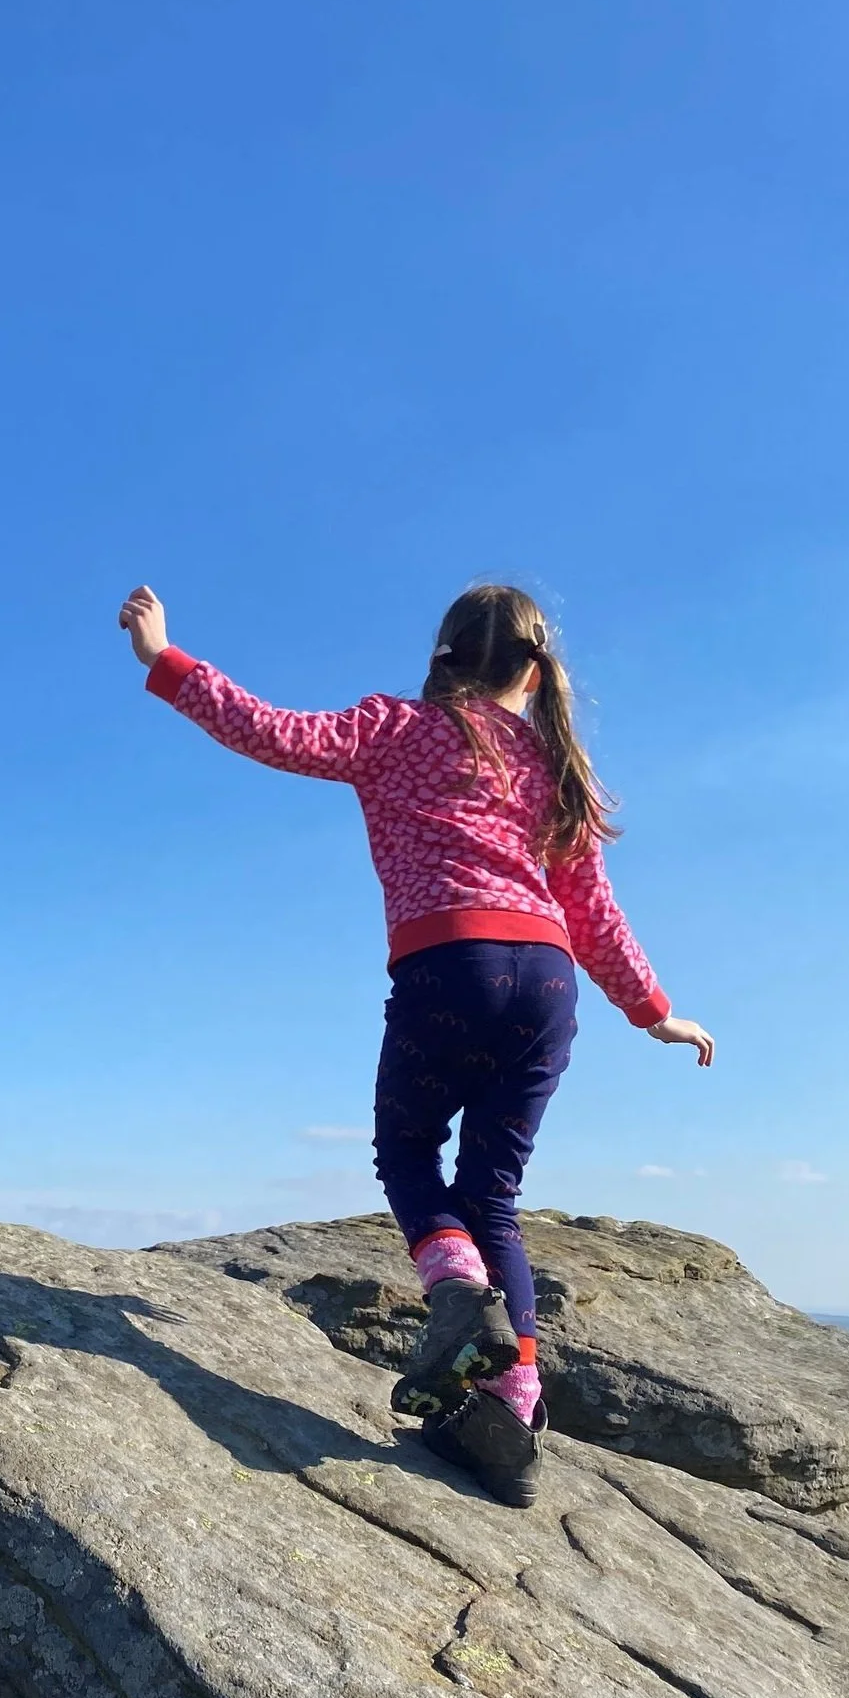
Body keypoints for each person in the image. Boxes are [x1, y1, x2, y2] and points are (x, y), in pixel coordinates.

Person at [119, 579, 713, 1509]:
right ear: (533, 669)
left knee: (404, 1149)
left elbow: (268, 731)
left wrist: (166, 659)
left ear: (443, 659)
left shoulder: (395, 727)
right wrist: (652, 1009)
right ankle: (514, 1409)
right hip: (548, 983)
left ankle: (456, 1296)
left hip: (450, 963)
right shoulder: (557, 766)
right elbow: (594, 912)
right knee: (495, 1197)